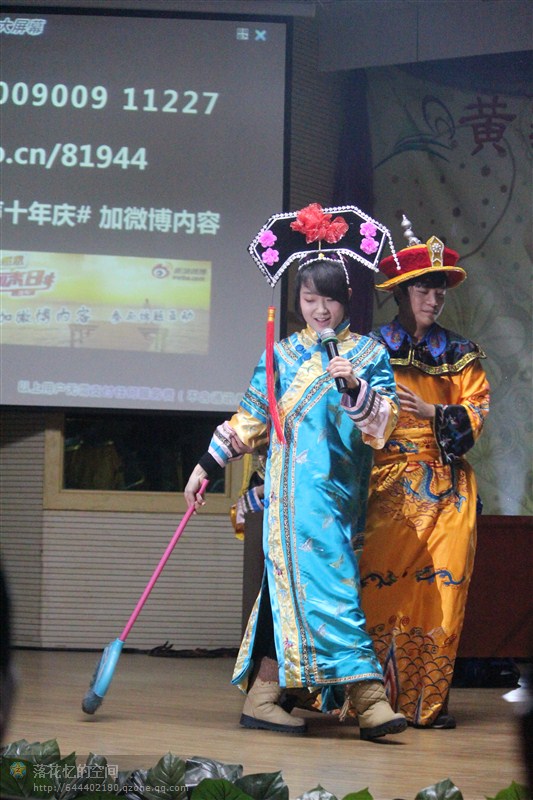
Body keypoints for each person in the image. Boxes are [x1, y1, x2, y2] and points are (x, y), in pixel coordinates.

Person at [185, 203, 407, 741]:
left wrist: (354, 386)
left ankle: (264, 694)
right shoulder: (280, 355)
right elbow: (251, 420)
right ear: (298, 301)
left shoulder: (369, 355)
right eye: (309, 299)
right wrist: (206, 465)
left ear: (345, 298)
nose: (319, 309)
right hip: (289, 501)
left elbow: (384, 426)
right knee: (330, 593)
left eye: (328, 298)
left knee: (295, 595)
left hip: (339, 498)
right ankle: (369, 699)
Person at [358, 216, 490, 729]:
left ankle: (425, 701)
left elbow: (475, 414)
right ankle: (371, 698)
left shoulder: (461, 354)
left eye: (439, 292)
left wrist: (435, 412)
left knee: (443, 592)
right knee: (381, 587)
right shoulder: (370, 349)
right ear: (401, 293)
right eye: (423, 291)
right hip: (387, 482)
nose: (433, 300)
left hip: (448, 487)